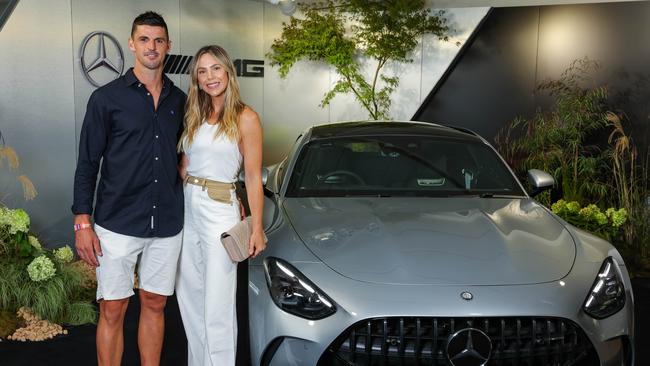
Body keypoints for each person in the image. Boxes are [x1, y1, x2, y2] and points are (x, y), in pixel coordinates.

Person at [71, 11, 185, 366]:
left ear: (168, 46)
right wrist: (82, 222)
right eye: (145, 39)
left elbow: (191, 151)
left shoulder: (180, 100)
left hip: (166, 223)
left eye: (159, 40)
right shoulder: (106, 99)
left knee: (155, 303)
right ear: (132, 44)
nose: (152, 47)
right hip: (116, 222)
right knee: (114, 308)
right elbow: (88, 163)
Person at [175, 45, 265, 366]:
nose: (210, 77)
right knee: (189, 298)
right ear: (197, 80)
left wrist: (257, 227)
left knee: (218, 304)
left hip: (219, 209)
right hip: (187, 206)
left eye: (215, 69)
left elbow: (253, 178)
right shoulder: (194, 115)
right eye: (202, 71)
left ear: (228, 71)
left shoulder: (246, 117)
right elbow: (185, 166)